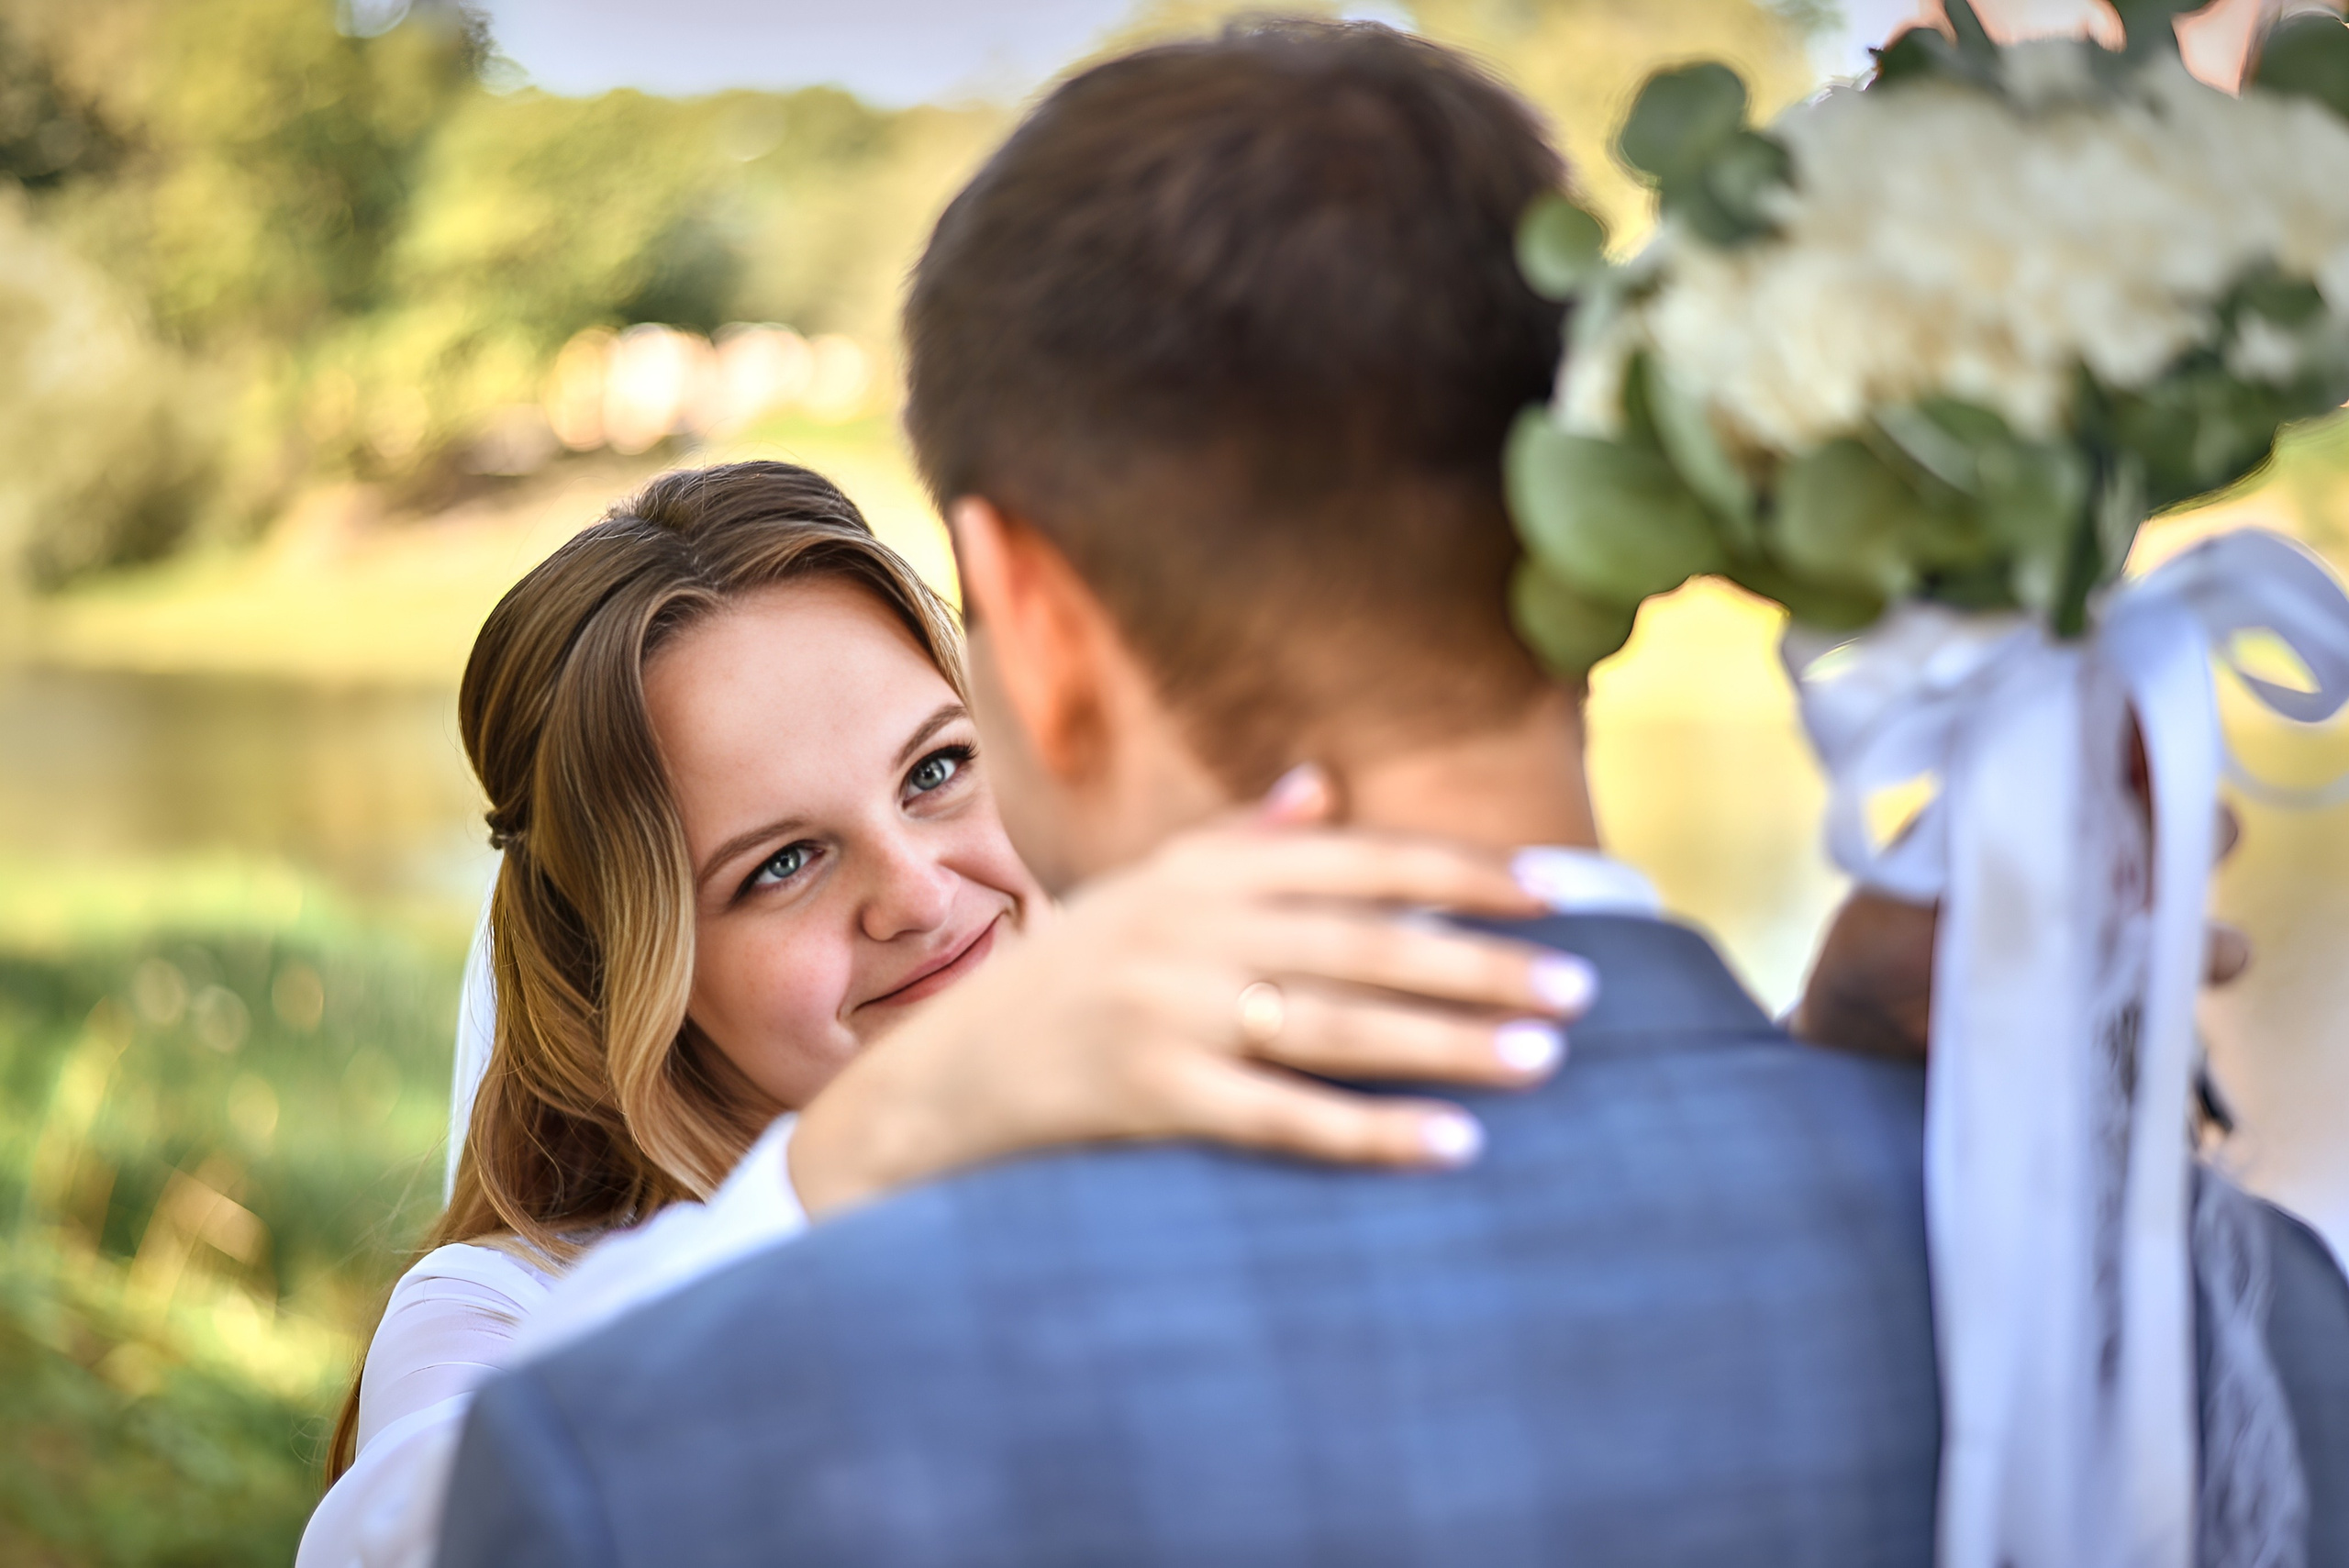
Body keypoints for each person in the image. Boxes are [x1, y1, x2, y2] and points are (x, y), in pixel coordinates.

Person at [438, 20, 2349, 1568]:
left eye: (938, 756)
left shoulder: (663, 1454)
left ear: (1032, 618)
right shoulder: (2225, 1314)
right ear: (1584, 529)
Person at [298, 459, 1611, 1568]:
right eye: (781, 864)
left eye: (936, 769)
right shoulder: (500, 1317)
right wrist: (880, 1139)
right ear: (634, 976)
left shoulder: (1237, 1133)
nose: (920, 894)